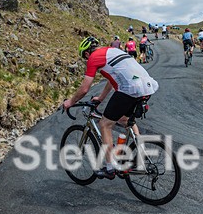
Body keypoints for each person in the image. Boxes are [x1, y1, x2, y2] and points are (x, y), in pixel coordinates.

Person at [63, 37, 159, 179]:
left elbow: (84, 89)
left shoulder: (93, 58)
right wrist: (101, 98)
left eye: (84, 57)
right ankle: (140, 152)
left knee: (104, 124)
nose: (86, 60)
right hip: (148, 86)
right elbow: (112, 79)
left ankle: (110, 168)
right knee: (125, 119)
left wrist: (70, 102)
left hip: (130, 88)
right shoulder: (113, 51)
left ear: (87, 53)